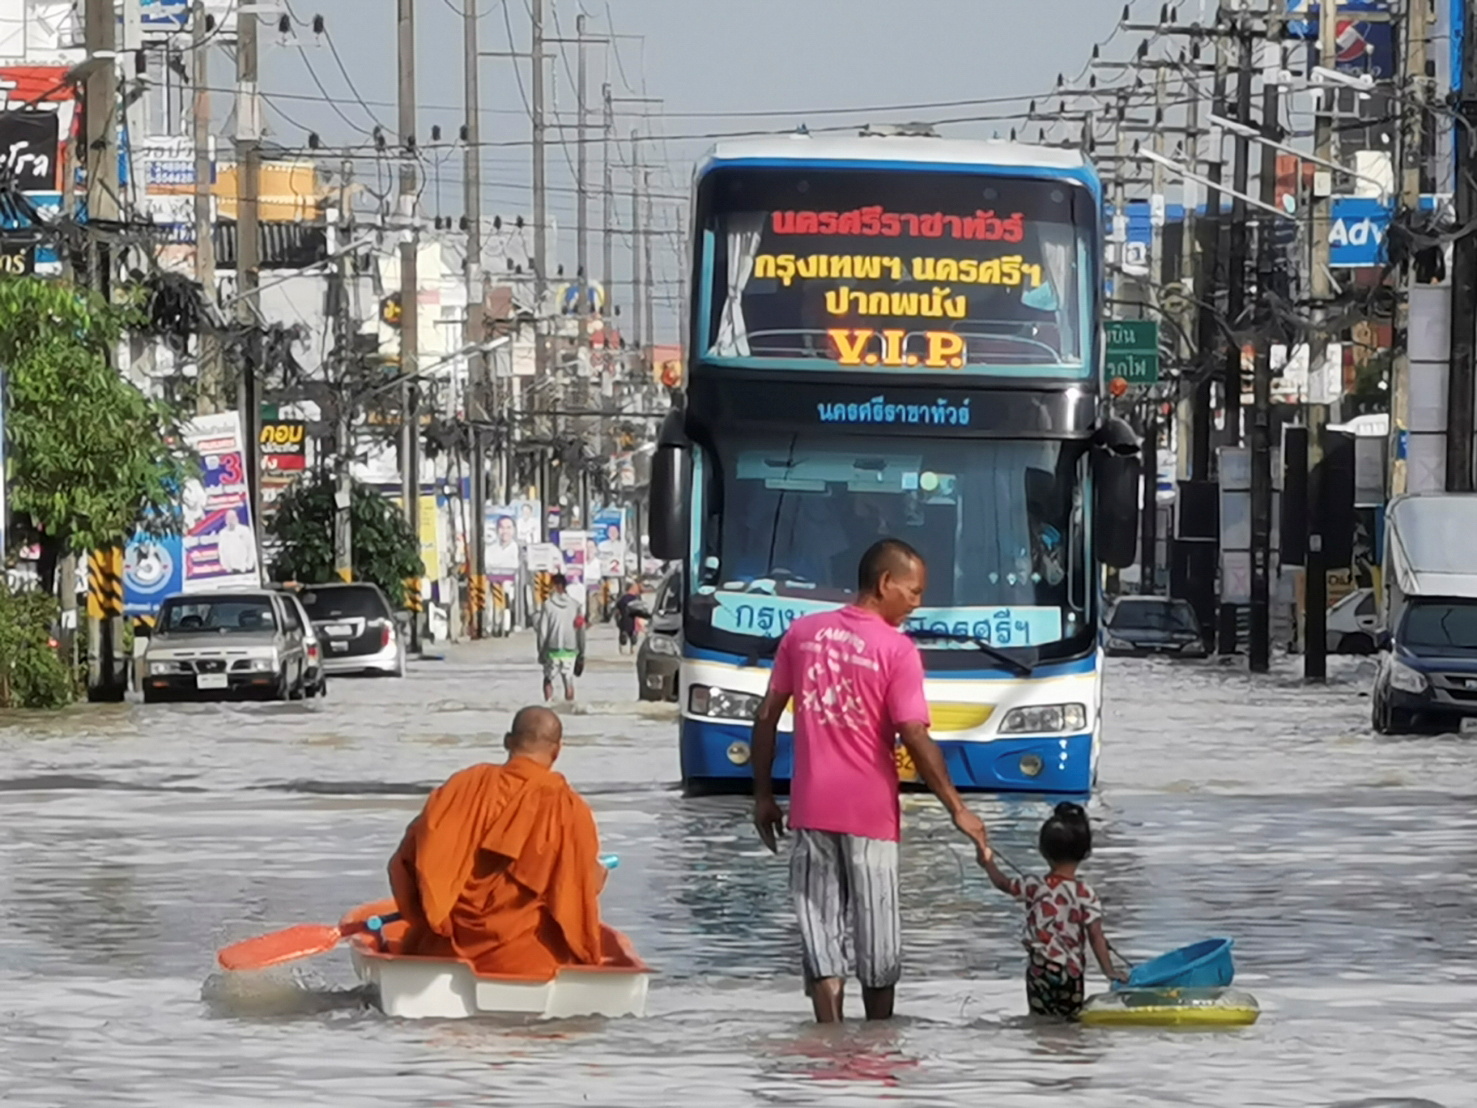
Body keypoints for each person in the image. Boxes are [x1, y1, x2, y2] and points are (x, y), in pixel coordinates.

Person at [750, 538, 990, 1023]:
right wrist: (957, 808)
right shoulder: (896, 650)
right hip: (870, 815)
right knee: (878, 947)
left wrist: (762, 798)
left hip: (810, 811)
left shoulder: (803, 634)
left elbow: (765, 717)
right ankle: (878, 1050)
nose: (918, 603)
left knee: (822, 939)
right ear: (885, 584)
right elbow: (915, 736)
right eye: (914, 591)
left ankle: (830, 1047)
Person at [386, 706, 608, 977]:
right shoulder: (568, 807)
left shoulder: (463, 787)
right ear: (558, 750)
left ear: (507, 741)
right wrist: (596, 876)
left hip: (448, 951)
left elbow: (407, 861)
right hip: (527, 961)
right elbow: (576, 890)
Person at [976, 802, 1128, 1019]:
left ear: (1042, 850)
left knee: (1040, 1021)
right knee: (1069, 1023)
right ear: (1085, 853)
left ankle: (1042, 1051)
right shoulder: (1085, 894)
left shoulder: (1033, 885)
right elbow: (1096, 937)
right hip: (1071, 974)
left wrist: (987, 862)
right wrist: (1109, 971)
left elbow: (1003, 883)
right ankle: (1067, 1052)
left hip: (1040, 971)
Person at [535, 573, 586, 701]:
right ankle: (569, 709)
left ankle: (548, 706)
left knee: (548, 679)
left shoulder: (548, 606)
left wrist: (541, 652)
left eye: (551, 586)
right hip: (570, 650)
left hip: (552, 650)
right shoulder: (575, 605)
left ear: (557, 586)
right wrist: (581, 652)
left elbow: (542, 631)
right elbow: (581, 630)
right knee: (568, 681)